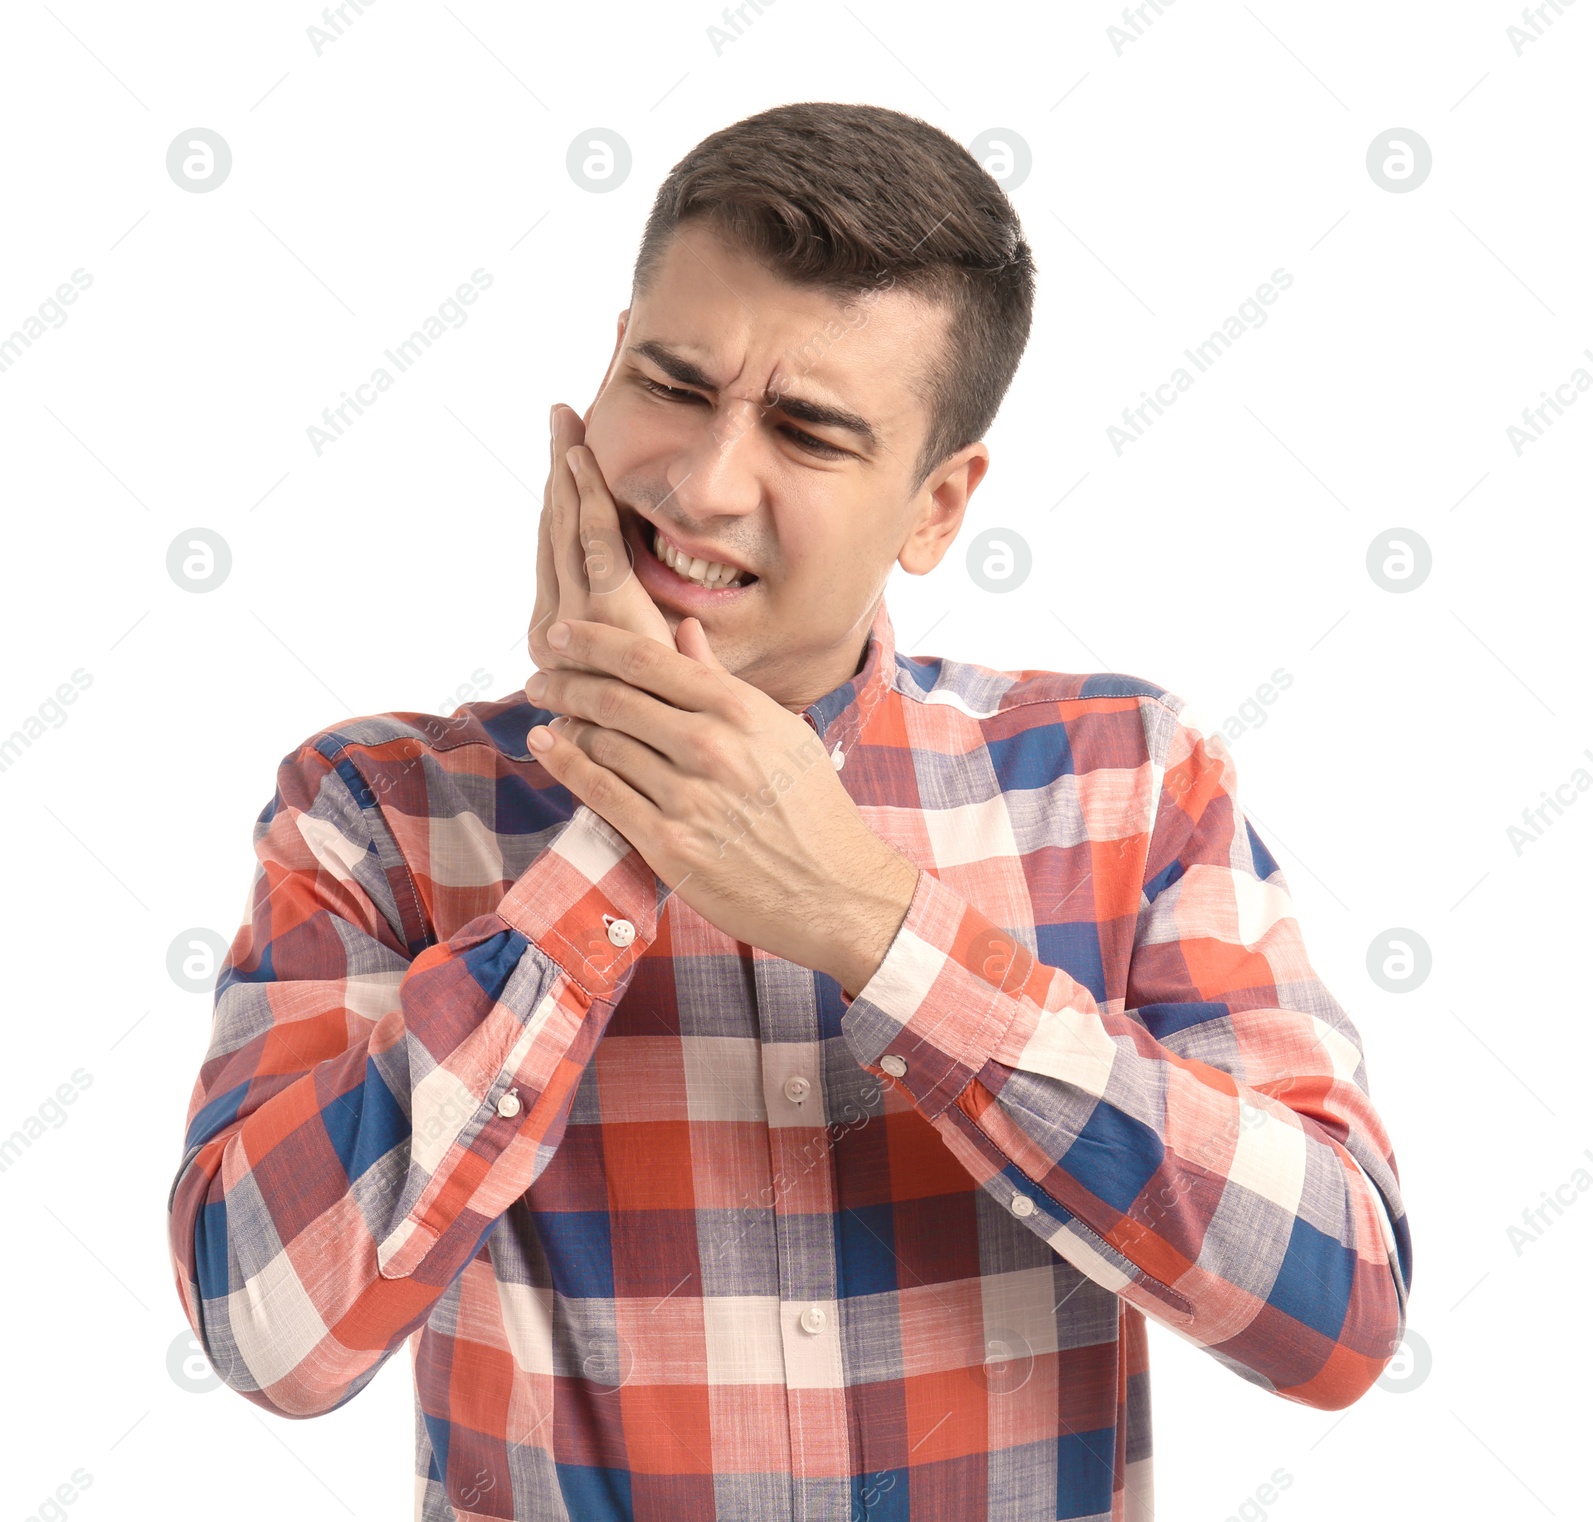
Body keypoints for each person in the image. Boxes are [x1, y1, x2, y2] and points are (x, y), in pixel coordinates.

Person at [167, 101, 1411, 1522]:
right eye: (671, 382)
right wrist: (636, 809)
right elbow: (269, 1333)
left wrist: (870, 926)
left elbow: (1341, 1309)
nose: (702, 484)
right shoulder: (376, 810)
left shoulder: (1127, 778)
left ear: (937, 506)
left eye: (809, 431)